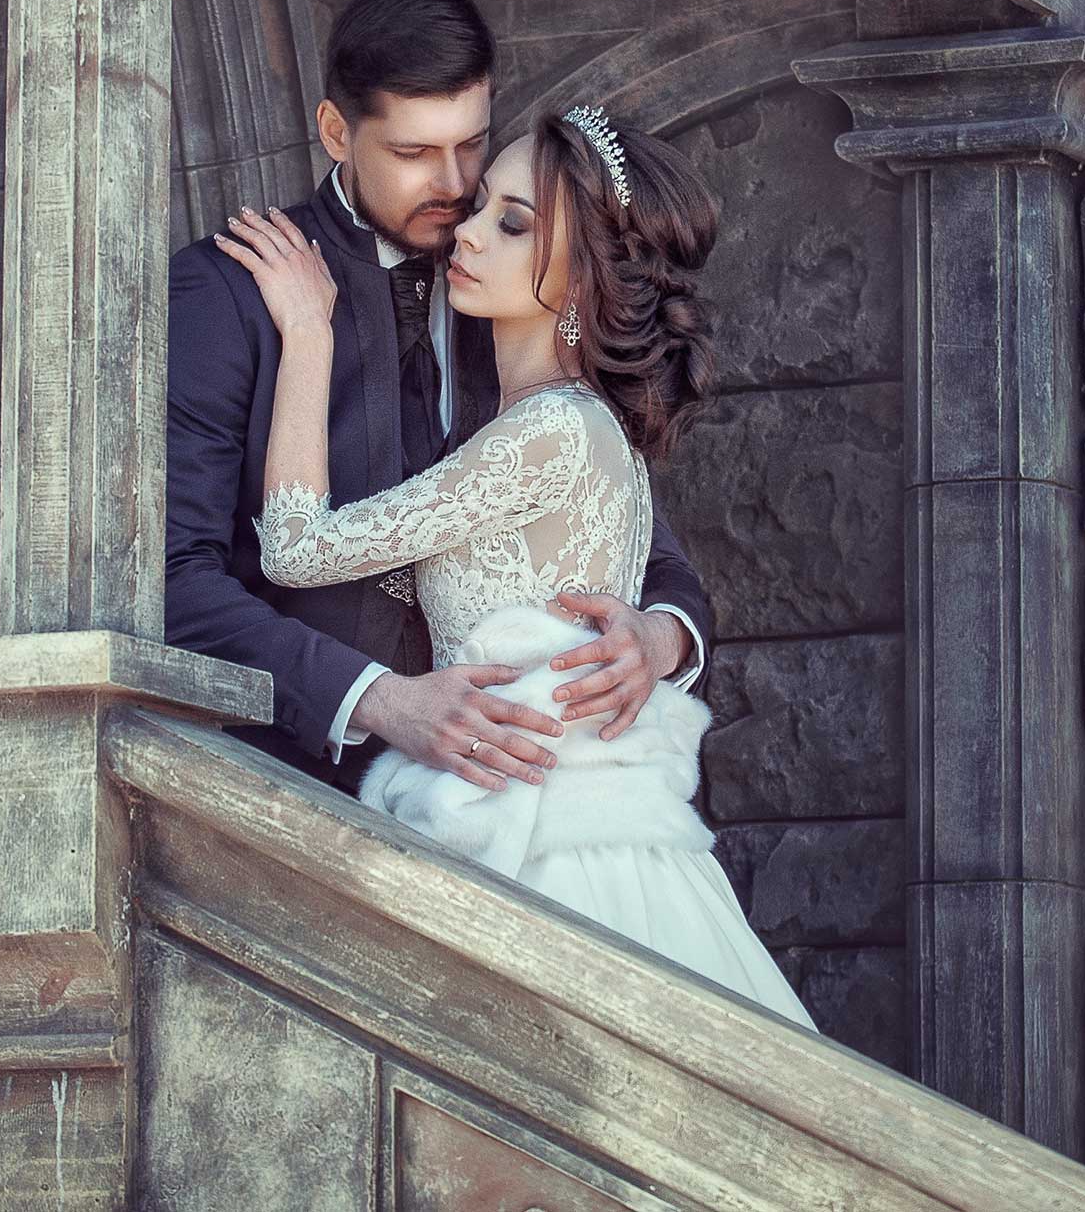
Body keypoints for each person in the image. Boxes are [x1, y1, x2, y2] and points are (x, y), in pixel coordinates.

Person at [211, 107, 813, 1026]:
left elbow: (296, 548)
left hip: (542, 835)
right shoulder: (583, 422)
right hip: (549, 799)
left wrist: (307, 333)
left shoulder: (548, 433)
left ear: (582, 279)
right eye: (483, 205)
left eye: (515, 224)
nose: (469, 232)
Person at [165, 0, 715, 794]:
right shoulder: (227, 295)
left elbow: (643, 549)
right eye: (414, 153)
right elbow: (172, 580)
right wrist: (379, 699)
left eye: (472, 144)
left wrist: (658, 638)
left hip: (515, 790)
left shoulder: (519, 289)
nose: (456, 187)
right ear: (336, 132)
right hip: (297, 793)